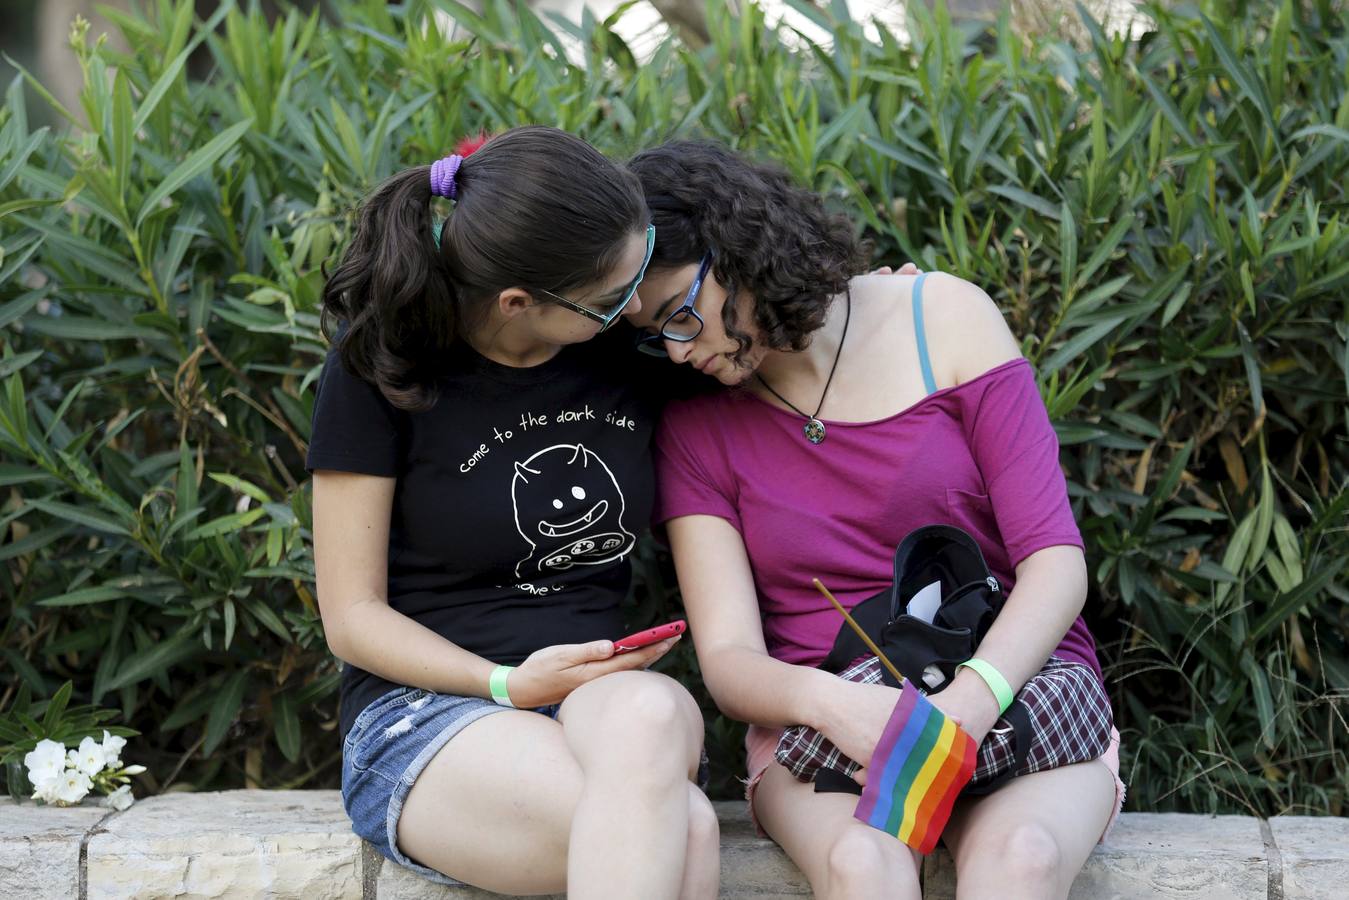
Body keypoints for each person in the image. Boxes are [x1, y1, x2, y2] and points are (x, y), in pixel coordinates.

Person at [626, 140, 1124, 900]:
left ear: (739, 248)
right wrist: (843, 708)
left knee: (1020, 857)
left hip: (1011, 678)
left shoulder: (943, 318)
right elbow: (728, 660)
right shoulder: (693, 424)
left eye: (682, 316)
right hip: (823, 713)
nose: (677, 349)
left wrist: (967, 703)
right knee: (862, 865)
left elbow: (1054, 559)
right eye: (655, 334)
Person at [308, 126, 716, 899]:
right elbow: (351, 616)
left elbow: (774, 344)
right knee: (684, 828)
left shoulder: (625, 356)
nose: (637, 311)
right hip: (431, 710)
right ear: (518, 303)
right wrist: (501, 684)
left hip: (601, 703)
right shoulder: (383, 367)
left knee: (655, 715)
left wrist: (870, 306)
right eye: (611, 299)